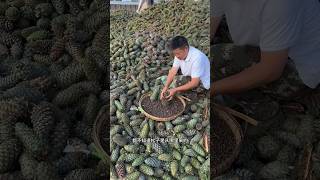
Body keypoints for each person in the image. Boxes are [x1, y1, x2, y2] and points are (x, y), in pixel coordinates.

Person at [211, 0, 320, 101]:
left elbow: (270, 71)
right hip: (272, 47)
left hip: (301, 70)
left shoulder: (281, 4)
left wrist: (213, 89)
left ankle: (267, 112)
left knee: (216, 57)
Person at [160, 36, 210, 100]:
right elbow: (173, 71)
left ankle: (202, 94)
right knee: (176, 82)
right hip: (191, 75)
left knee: (179, 86)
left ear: (186, 48)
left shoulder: (198, 58)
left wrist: (175, 90)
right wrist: (166, 87)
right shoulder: (179, 54)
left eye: (178, 53)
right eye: (175, 54)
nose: (176, 56)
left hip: (202, 81)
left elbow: (194, 83)